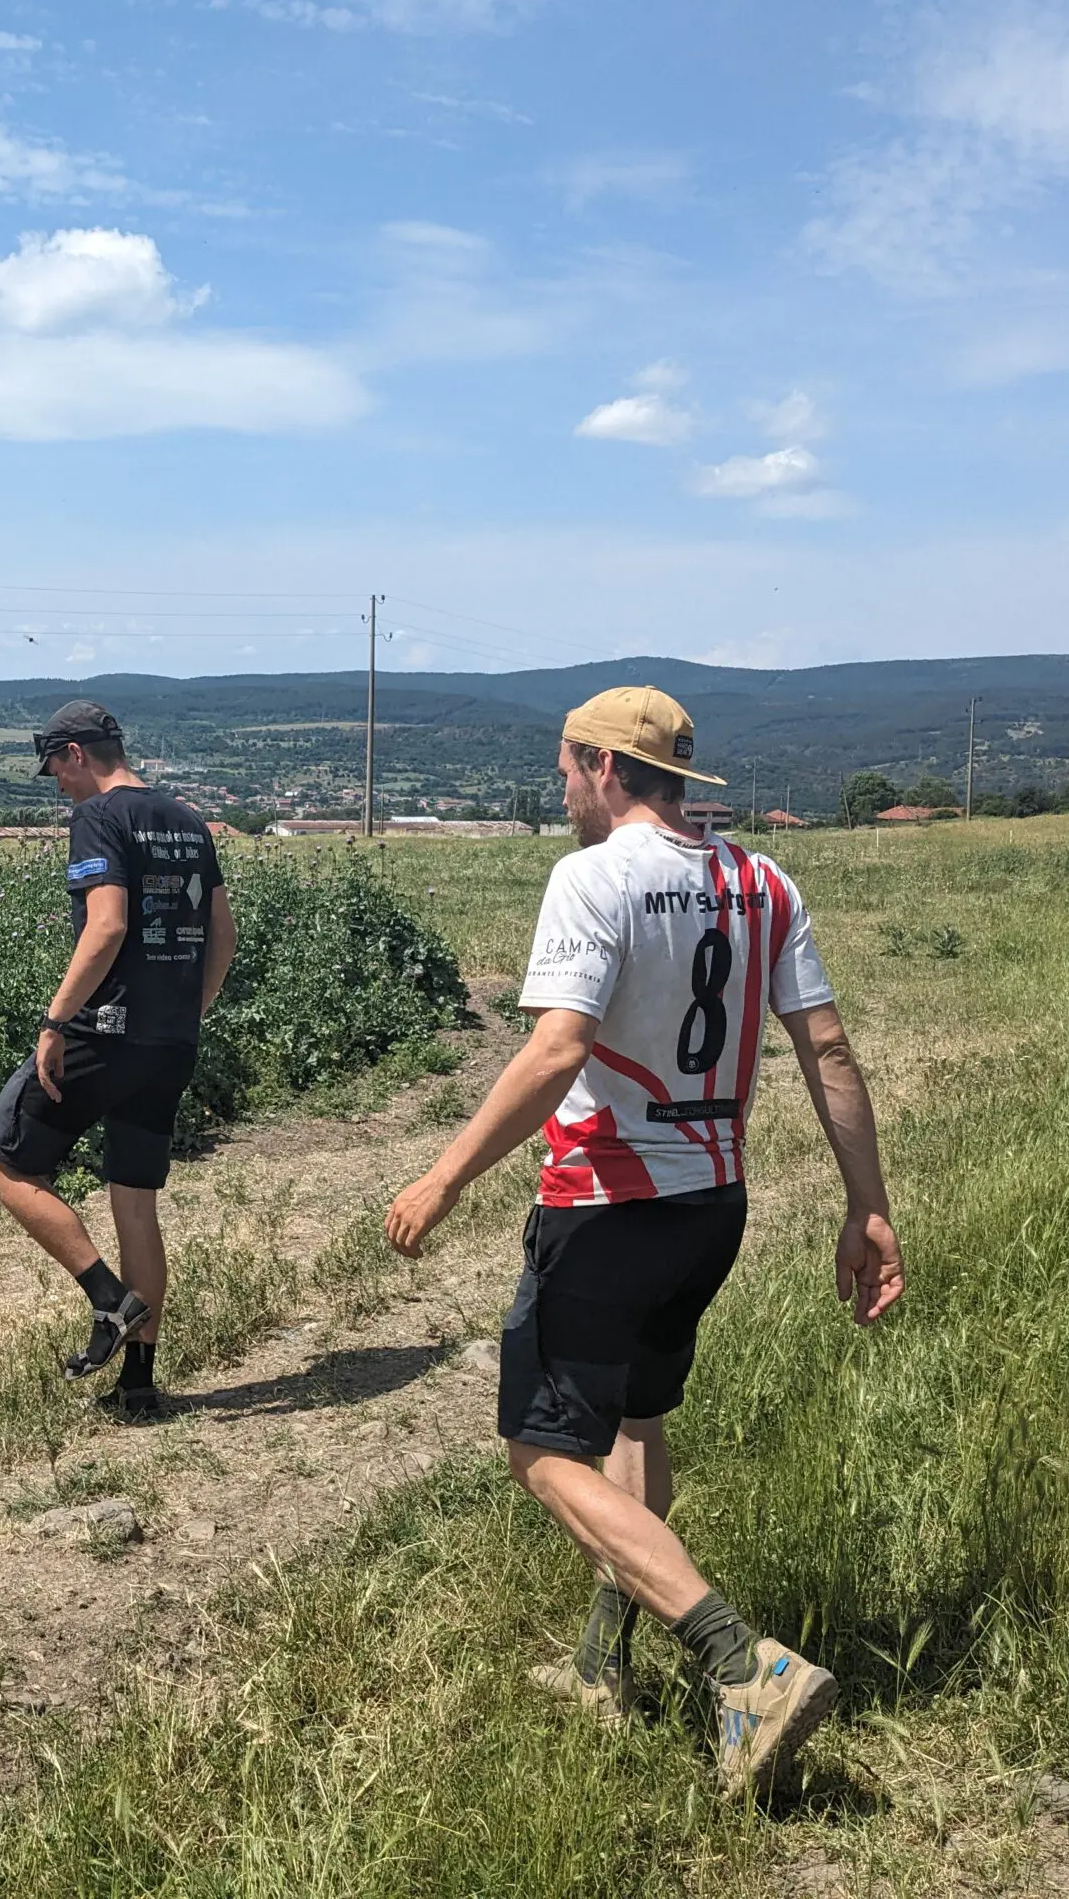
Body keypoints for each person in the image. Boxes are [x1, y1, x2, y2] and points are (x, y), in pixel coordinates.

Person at [383, 686, 903, 1794]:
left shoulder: (591, 877)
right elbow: (829, 1052)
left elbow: (556, 1050)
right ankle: (599, 1665)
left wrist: (442, 1173)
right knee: (635, 1423)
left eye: (567, 770)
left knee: (543, 1452)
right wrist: (867, 1207)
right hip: (712, 1205)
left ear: (605, 768)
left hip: (605, 1205)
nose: (563, 789)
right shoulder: (764, 883)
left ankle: (738, 1662)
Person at [0, 700, 236, 1421]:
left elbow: (108, 924)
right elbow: (224, 933)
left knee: (2, 1164)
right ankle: (140, 1383)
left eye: (55, 769)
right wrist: (194, 1007)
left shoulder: (98, 818)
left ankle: (107, 1299)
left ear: (75, 754)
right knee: (135, 1203)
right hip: (170, 1042)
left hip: (103, 1032)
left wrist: (55, 1020)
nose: (57, 785)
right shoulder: (186, 819)